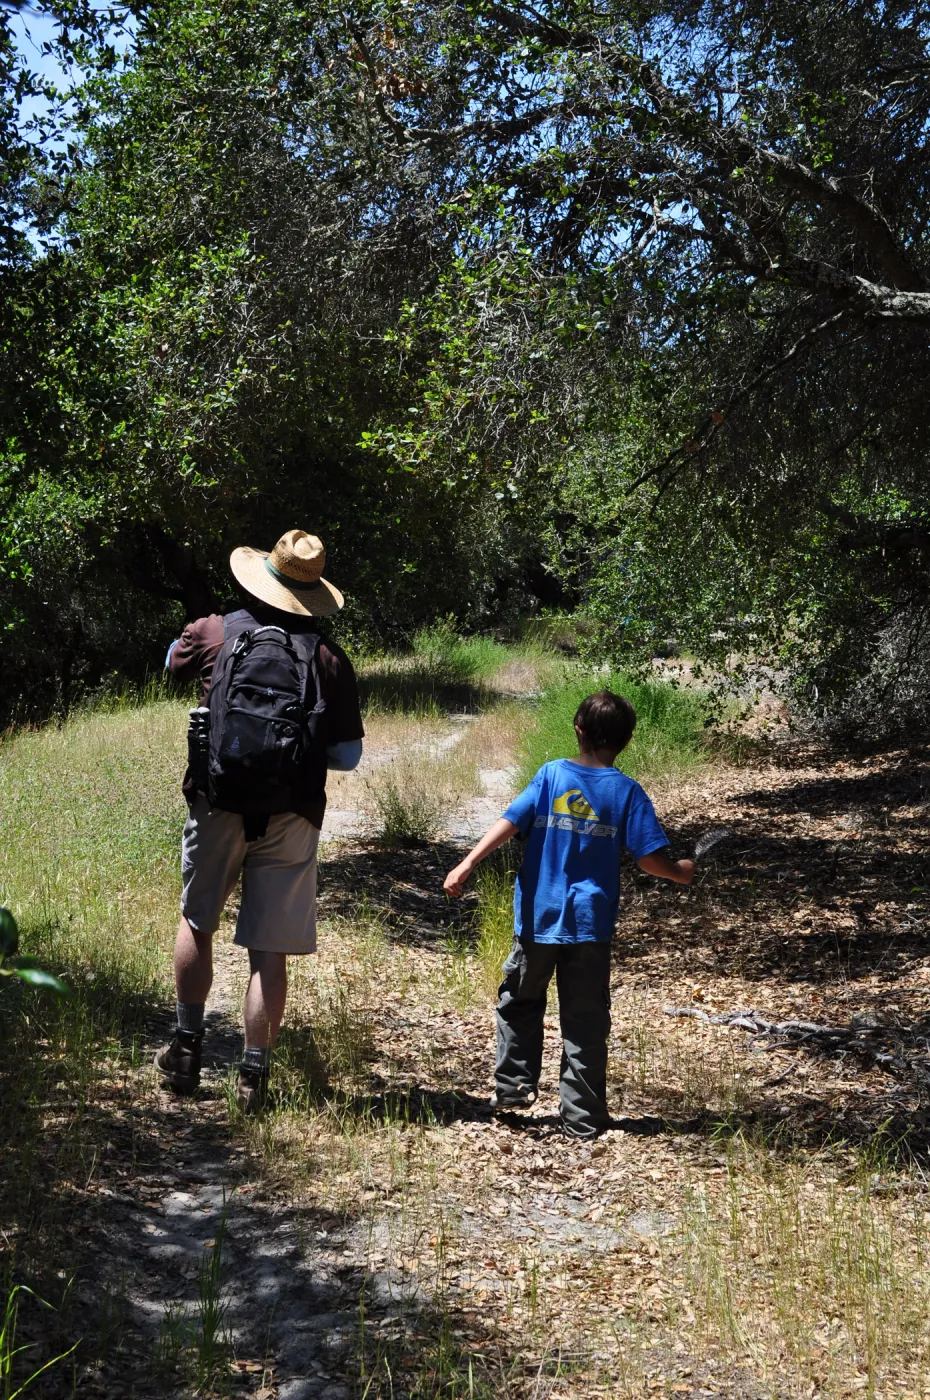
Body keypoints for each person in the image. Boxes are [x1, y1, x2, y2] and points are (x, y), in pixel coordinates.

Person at [155, 530, 364, 1113]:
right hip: (293, 813)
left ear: (263, 575)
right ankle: (252, 1079)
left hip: (217, 800)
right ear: (312, 591)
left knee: (198, 921)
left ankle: (187, 1050)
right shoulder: (327, 658)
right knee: (268, 947)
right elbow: (347, 757)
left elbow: (169, 663)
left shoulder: (213, 630)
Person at [443, 690, 694, 1139]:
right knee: (586, 1019)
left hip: (539, 920)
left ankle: (515, 1088)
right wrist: (680, 873)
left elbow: (510, 820)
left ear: (577, 728)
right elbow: (648, 858)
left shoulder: (551, 775)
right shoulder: (626, 792)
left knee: (519, 1002)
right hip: (589, 927)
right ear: (627, 740)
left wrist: (468, 862)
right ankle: (582, 1117)